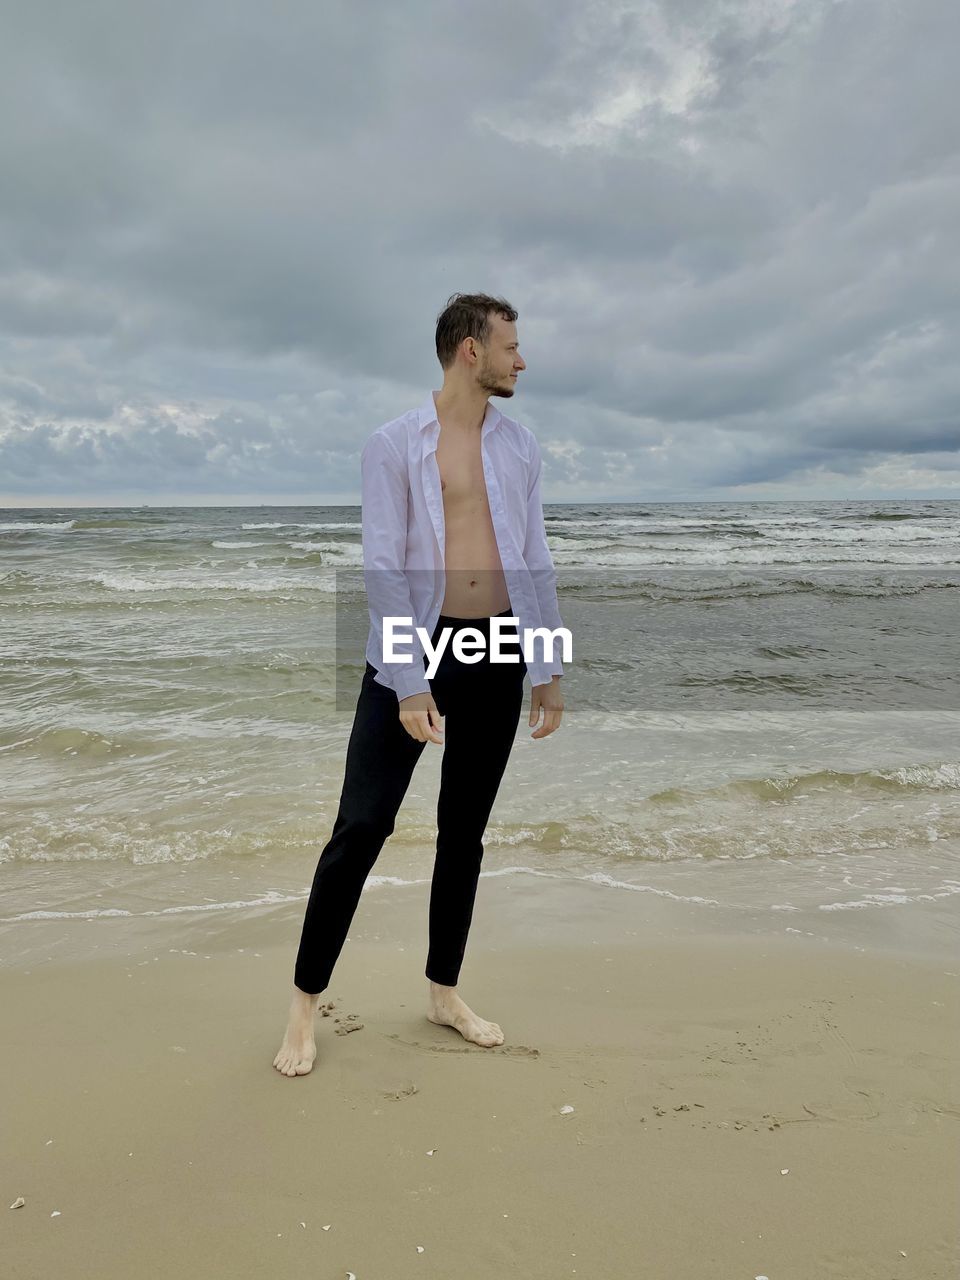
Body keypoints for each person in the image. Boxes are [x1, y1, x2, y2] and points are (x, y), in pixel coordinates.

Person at [274, 292, 566, 1077]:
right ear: (471, 352)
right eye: (511, 345)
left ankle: (444, 992)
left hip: (497, 647)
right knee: (361, 828)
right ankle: (303, 1008)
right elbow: (385, 569)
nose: (521, 359)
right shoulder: (395, 446)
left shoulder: (520, 447)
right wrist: (408, 682)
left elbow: (533, 561)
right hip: (413, 655)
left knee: (463, 834)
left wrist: (547, 667)